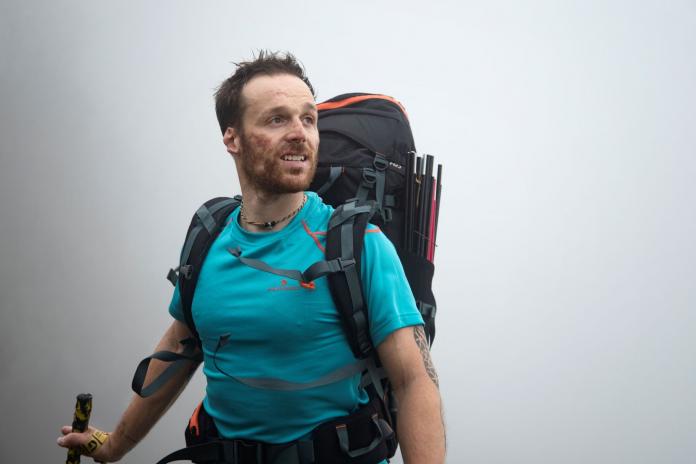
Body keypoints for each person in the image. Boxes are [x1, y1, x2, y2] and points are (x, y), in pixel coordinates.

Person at [57, 51, 445, 463]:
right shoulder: (208, 236)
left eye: (308, 119)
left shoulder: (359, 244)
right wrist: (115, 445)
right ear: (232, 138)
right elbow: (182, 346)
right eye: (276, 119)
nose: (300, 133)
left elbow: (414, 380)